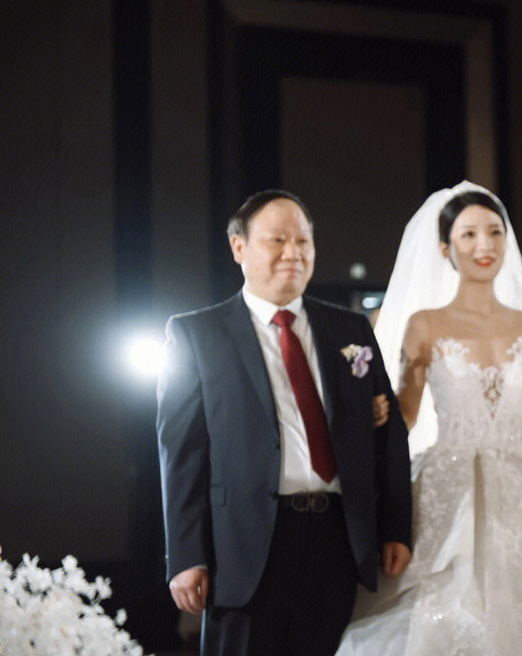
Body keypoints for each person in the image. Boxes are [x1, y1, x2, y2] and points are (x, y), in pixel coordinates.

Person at [336, 181, 522, 655]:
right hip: (447, 484)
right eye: (469, 234)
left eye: (495, 232)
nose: (485, 245)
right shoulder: (425, 323)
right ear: (445, 249)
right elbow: (406, 414)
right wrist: (370, 421)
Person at [156, 189, 413, 655]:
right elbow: (182, 453)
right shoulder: (197, 335)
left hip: (337, 539)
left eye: (303, 241)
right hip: (244, 545)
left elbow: (387, 432)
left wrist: (395, 527)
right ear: (239, 247)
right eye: (277, 240)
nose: (293, 253)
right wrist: (187, 555)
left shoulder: (350, 330)